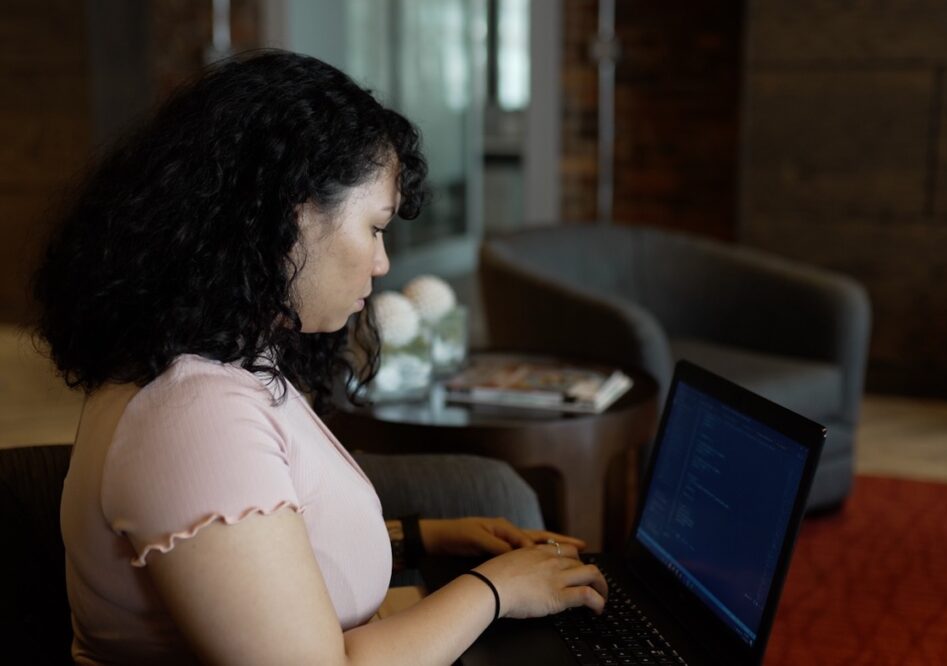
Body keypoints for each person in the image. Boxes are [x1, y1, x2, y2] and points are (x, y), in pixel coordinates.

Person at [33, 51, 607, 665]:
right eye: (376, 227)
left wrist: (426, 537)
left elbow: (254, 547)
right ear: (292, 214)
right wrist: (497, 591)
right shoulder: (193, 416)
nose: (383, 262)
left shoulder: (208, 356)